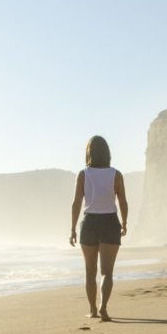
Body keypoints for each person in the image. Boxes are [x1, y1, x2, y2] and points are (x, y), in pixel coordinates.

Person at [69, 135, 128, 321]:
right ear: (107, 153)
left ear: (89, 153)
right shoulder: (116, 174)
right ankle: (104, 307)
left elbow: (76, 203)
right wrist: (124, 223)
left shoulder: (83, 174)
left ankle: (93, 309)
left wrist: (72, 229)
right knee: (107, 272)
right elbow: (123, 202)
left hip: (89, 223)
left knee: (90, 271)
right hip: (110, 221)